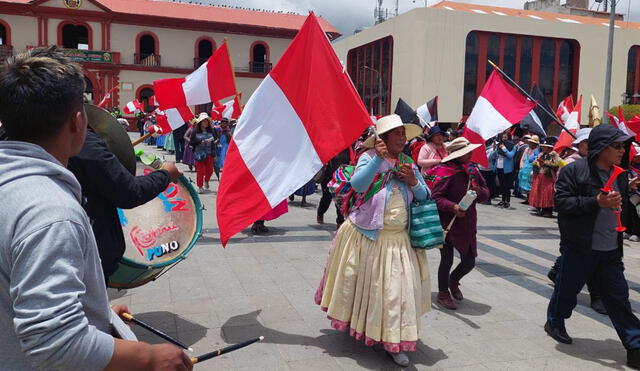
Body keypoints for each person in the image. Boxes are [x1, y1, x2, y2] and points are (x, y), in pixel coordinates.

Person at [0, 47, 192, 371]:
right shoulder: (52, 213)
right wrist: (149, 357)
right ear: (78, 122)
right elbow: (55, 342)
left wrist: (97, 316)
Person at [315, 114, 430, 367]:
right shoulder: (368, 158)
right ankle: (369, 327)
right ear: (383, 139)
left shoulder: (407, 162)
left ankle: (393, 340)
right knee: (372, 290)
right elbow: (357, 185)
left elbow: (424, 194)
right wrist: (377, 159)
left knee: (394, 294)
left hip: (399, 241)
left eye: (403, 134)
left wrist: (412, 180)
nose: (402, 138)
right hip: (368, 235)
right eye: (397, 134)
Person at [545, 124, 640, 370]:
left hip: (610, 250)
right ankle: (555, 322)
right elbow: (563, 204)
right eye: (617, 146)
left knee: (619, 298)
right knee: (567, 291)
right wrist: (596, 201)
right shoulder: (574, 171)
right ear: (601, 148)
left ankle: (635, 344)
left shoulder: (620, 173)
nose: (622, 150)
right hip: (580, 247)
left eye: (623, 146)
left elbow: (619, 207)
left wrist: (628, 194)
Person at [67, 128, 182, 283]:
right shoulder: (82, 141)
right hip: (83, 264)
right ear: (77, 119)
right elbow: (129, 191)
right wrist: (166, 174)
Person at [546, 127, 606, 315]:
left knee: (589, 264)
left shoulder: (601, 166)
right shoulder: (571, 164)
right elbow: (563, 199)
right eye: (586, 143)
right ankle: (558, 314)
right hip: (574, 223)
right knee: (572, 264)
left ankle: (593, 293)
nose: (590, 146)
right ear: (579, 145)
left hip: (597, 229)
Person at [431, 137, 490, 310]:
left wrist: (480, 191)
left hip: (467, 223)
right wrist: (453, 207)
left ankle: (453, 280)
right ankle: (443, 293)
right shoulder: (444, 171)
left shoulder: (473, 171)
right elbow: (436, 198)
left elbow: (486, 192)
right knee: (447, 259)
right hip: (448, 224)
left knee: (469, 262)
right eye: (467, 152)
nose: (471, 154)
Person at [316, 147, 350, 226]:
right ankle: (320, 213)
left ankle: (340, 221)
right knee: (326, 198)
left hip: (342, 178)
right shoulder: (332, 145)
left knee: (339, 199)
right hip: (329, 177)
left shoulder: (350, 148)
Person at [529, 138, 562, 217]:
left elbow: (557, 164)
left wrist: (545, 163)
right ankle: (541, 209)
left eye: (544, 146)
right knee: (541, 193)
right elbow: (533, 162)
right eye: (542, 146)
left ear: (549, 147)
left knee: (548, 194)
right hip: (540, 176)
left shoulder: (554, 154)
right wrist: (535, 163)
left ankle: (548, 211)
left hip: (548, 177)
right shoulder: (541, 154)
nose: (542, 148)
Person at [190, 112, 216, 193]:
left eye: (206, 121)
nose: (205, 122)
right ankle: (200, 186)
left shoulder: (212, 131)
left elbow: (214, 141)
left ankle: (206, 180)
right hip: (199, 154)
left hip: (209, 154)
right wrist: (199, 142)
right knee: (200, 171)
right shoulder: (195, 131)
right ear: (200, 122)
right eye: (203, 121)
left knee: (210, 170)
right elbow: (191, 142)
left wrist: (214, 153)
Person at [489, 132, 517, 208]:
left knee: (507, 186)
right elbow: (494, 156)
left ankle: (507, 201)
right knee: (501, 185)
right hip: (499, 167)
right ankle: (503, 200)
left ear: (508, 138)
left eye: (505, 137)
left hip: (507, 169)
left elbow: (510, 156)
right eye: (502, 137)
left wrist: (504, 149)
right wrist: (495, 149)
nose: (504, 139)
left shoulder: (513, 146)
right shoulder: (499, 145)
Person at [518, 135, 540, 204]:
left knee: (531, 184)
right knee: (525, 183)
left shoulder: (537, 151)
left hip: (532, 169)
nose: (530, 144)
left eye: (532, 143)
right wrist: (521, 166)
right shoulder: (527, 149)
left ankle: (531, 200)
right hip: (525, 168)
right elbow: (522, 158)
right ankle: (527, 199)